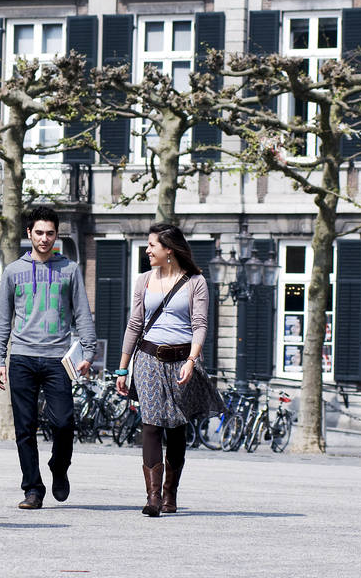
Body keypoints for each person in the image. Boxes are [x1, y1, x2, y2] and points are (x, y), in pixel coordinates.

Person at [0, 205, 97, 510]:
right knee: (24, 427)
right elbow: (2, 319)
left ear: (56, 234)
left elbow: (82, 313)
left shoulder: (70, 269)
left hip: (58, 359)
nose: (45, 238)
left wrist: (88, 351)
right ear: (29, 233)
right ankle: (33, 489)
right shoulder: (13, 272)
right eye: (39, 232)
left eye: (50, 233)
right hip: (22, 357)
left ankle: (59, 466)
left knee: (64, 422)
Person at [115, 222, 221, 517]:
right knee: (151, 425)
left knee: (176, 427)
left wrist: (191, 360)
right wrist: (122, 369)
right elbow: (134, 324)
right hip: (148, 358)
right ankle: (152, 498)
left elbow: (200, 325)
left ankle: (169, 495)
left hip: (181, 360)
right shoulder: (144, 281)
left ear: (169, 250)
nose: (147, 250)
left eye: (152, 245)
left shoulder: (195, 282)